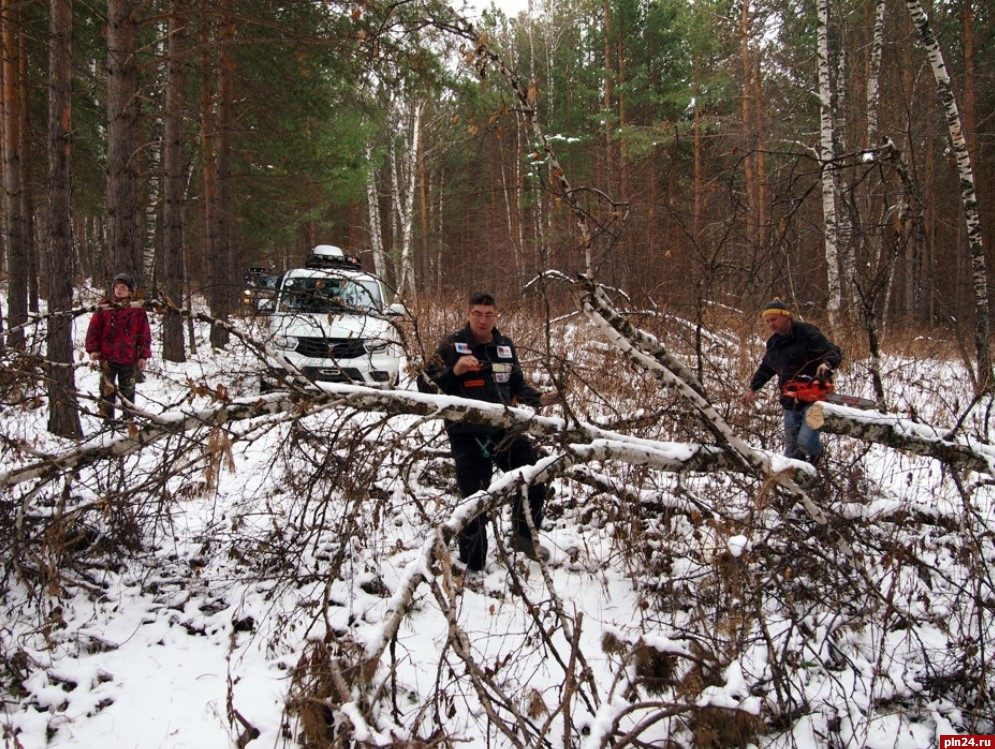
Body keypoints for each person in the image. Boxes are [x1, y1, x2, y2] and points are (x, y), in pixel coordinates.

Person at [421, 292, 561, 572]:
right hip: (466, 433)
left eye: (488, 315)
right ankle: (473, 564)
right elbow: (425, 386)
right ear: (468, 314)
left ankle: (523, 538)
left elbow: (516, 384)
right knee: (475, 498)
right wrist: (455, 371)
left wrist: (540, 398)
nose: (483, 320)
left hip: (503, 430)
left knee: (534, 475)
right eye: (477, 314)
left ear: (496, 316)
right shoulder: (452, 345)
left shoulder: (504, 346)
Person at [740, 298, 842, 464]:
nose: (770, 324)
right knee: (791, 452)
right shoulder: (773, 343)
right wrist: (753, 389)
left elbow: (833, 351)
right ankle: (796, 484)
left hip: (815, 400)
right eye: (767, 321)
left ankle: (819, 455)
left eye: (774, 319)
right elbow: (767, 367)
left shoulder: (807, 333)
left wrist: (826, 363)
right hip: (790, 402)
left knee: (805, 443)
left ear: (786, 316)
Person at [85, 272, 152, 423]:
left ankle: (129, 423)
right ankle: (108, 423)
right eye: (117, 287)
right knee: (107, 393)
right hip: (107, 357)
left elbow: (144, 334)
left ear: (130, 291)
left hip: (129, 358)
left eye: (123, 287)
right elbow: (93, 329)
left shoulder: (137, 309)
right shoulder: (105, 306)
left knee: (128, 392)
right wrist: (93, 349)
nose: (119, 290)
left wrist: (143, 356)